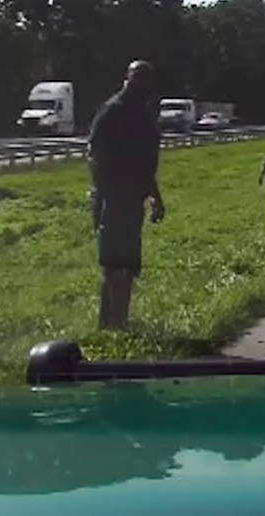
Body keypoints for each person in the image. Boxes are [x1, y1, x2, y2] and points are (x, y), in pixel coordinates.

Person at [87, 60, 165, 331]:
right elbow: (95, 156)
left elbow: (146, 161)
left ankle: (111, 324)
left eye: (146, 79)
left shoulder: (143, 114)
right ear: (127, 79)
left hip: (133, 198)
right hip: (114, 196)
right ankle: (117, 327)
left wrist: (155, 195)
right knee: (116, 264)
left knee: (125, 264)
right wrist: (108, 196)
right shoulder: (113, 111)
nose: (142, 85)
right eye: (137, 79)